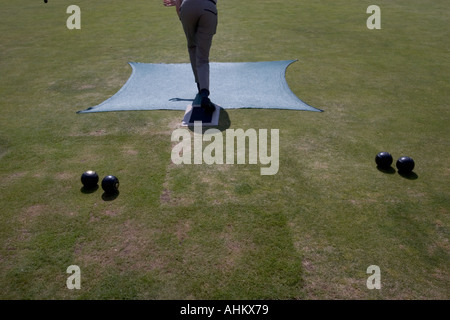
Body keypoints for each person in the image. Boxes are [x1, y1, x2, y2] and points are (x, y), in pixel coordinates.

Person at [164, 0, 218, 113]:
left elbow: (179, 4)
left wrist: (182, 11)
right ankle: (204, 94)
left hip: (188, 6)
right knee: (203, 58)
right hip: (209, 8)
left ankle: (200, 86)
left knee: (193, 47)